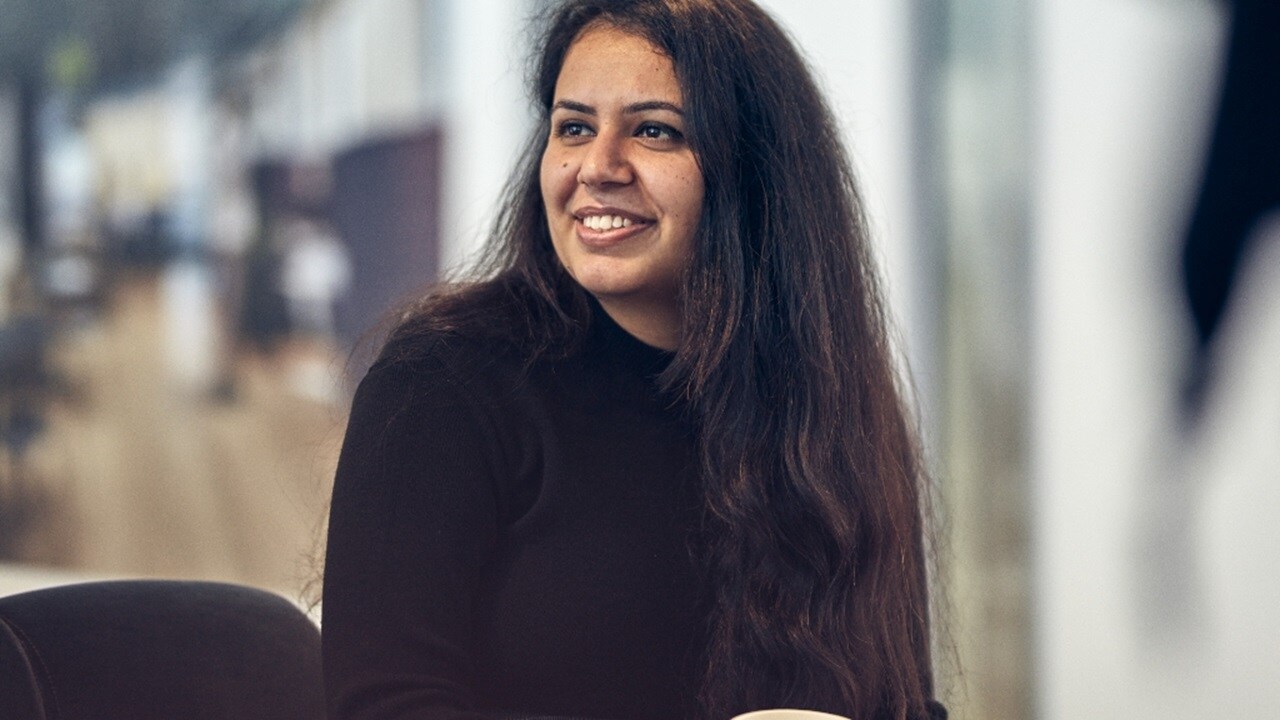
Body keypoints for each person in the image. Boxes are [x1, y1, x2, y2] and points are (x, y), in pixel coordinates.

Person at [321, 1, 946, 719]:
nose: (598, 166)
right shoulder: (444, 381)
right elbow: (387, 705)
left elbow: (902, 700)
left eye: (655, 131)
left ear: (757, 169)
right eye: (574, 127)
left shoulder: (833, 406)